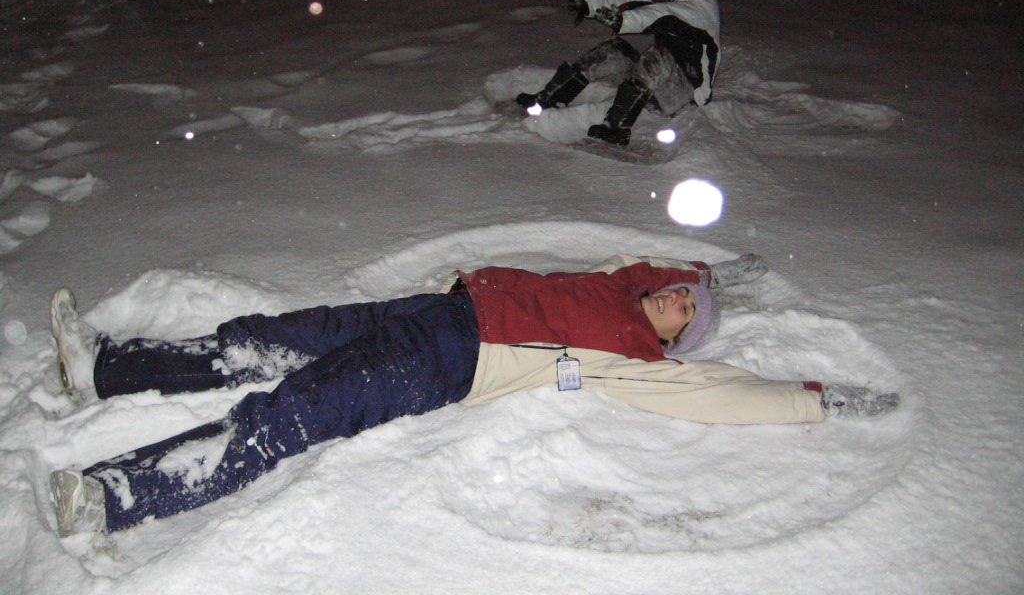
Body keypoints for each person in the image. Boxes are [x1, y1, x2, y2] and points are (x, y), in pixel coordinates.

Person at [46, 254, 899, 537]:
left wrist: (815, 399)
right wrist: (718, 273)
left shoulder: (633, 353)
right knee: (268, 339)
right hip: (436, 310)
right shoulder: (614, 286)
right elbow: (658, 267)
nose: (679, 301)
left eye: (689, 312)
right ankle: (106, 370)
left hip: (448, 359)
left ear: (677, 339)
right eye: (682, 292)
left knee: (287, 416)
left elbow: (720, 395)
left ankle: (112, 497)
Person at [516, 0, 721, 146]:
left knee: (657, 57)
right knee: (614, 50)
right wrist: (589, 5)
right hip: (659, 89)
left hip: (686, 99)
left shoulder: (701, 8)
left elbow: (659, 14)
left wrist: (623, 20)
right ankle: (550, 98)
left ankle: (616, 127)